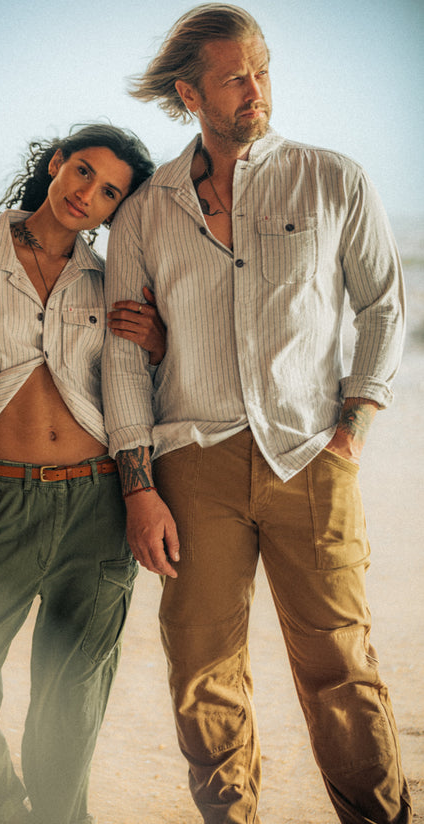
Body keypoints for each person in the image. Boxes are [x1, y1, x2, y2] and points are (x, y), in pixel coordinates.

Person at [102, 5, 412, 823]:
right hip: (191, 463)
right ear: (190, 94)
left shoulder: (332, 179)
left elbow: (383, 306)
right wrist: (138, 485)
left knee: (340, 666)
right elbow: (123, 356)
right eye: (236, 77)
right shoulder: (144, 211)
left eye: (262, 70)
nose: (256, 90)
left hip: (310, 454)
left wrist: (353, 426)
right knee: (201, 669)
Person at [0, 123, 162, 824]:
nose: (88, 194)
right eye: (84, 171)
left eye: (110, 192)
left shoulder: (109, 281)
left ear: (116, 210)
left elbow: (143, 392)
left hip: (98, 506)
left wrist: (160, 346)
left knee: (71, 701)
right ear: (56, 165)